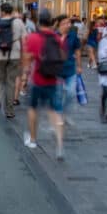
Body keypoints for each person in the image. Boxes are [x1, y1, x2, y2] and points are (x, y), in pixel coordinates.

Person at [22, 9, 66, 159]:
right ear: (51, 21)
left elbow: (27, 60)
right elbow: (62, 56)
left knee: (33, 108)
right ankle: (60, 145)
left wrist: (24, 77)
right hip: (53, 80)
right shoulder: (56, 37)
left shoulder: (33, 38)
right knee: (54, 111)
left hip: (37, 79)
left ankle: (33, 139)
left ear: (38, 22)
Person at [0, 3, 26, 118]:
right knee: (11, 83)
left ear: (3, 12)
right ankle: (9, 111)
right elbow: (24, 41)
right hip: (14, 55)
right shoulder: (19, 22)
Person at [56, 15, 82, 124]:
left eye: (69, 23)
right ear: (60, 24)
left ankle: (64, 112)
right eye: (66, 23)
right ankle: (58, 115)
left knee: (71, 93)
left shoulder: (73, 35)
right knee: (58, 94)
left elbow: (77, 50)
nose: (69, 25)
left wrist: (79, 65)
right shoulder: (54, 36)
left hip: (70, 68)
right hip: (56, 70)